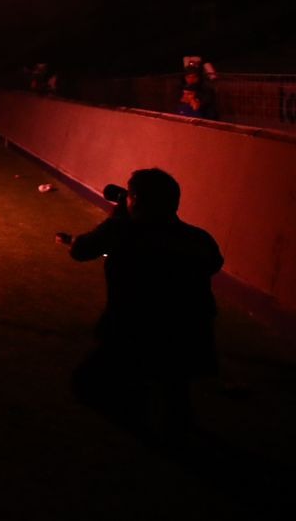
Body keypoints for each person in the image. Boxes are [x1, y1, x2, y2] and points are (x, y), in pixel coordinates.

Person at [55, 169, 224, 438]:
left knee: (87, 383)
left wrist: (118, 218)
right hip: (191, 333)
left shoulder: (123, 232)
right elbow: (212, 263)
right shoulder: (200, 239)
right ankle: (178, 431)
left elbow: (82, 250)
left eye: (130, 196)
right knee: (173, 388)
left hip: (134, 330)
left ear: (137, 200)